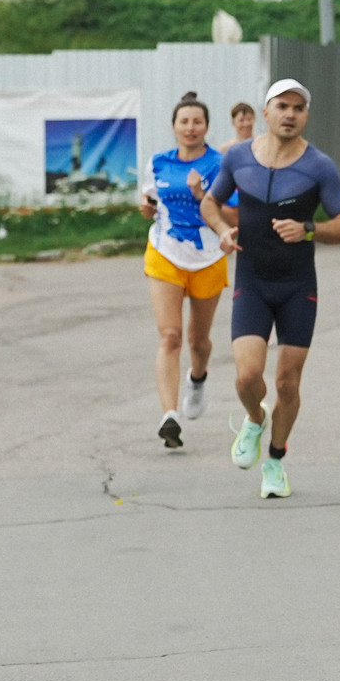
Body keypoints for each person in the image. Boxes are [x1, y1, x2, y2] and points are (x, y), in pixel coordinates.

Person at [204, 79, 340, 499]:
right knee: (246, 377)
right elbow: (210, 202)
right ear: (266, 112)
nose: (290, 114)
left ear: (306, 116)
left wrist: (308, 229)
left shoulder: (319, 166)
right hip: (252, 283)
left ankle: (274, 460)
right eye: (282, 106)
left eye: (298, 108)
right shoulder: (237, 156)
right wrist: (221, 230)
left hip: (297, 287)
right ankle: (255, 419)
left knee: (288, 384)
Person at [140, 92, 226, 448]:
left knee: (198, 341)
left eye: (197, 122)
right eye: (184, 121)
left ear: (206, 127)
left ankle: (198, 377)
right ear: (174, 126)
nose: (190, 128)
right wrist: (145, 207)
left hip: (208, 256)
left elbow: (232, 213)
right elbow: (149, 200)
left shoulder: (220, 164)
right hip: (165, 252)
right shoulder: (158, 162)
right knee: (171, 336)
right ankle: (169, 415)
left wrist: (202, 194)